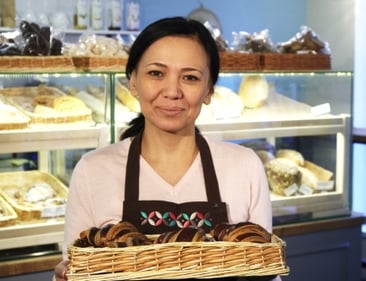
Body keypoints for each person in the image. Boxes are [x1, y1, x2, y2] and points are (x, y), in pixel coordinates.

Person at [54, 16, 278, 281]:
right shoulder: (92, 170)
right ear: (133, 81)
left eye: (190, 77)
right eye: (156, 73)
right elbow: (75, 269)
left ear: (208, 91)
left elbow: (265, 272)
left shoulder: (245, 166)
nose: (172, 91)